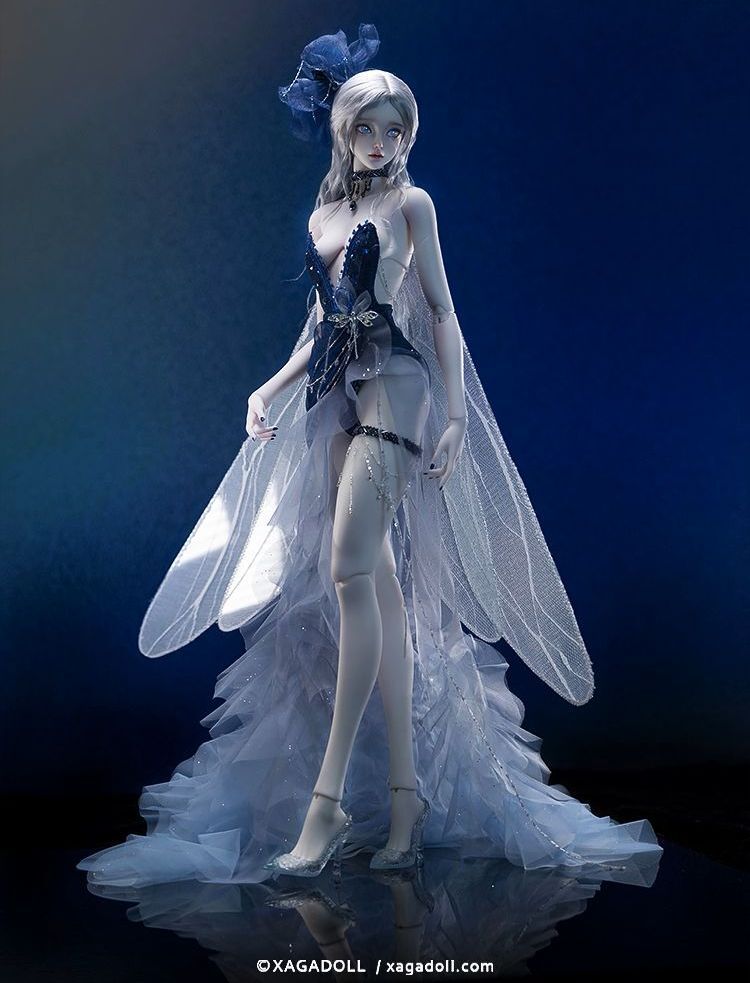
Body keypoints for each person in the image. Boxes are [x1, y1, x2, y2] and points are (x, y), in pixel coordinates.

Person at [77, 24, 662, 889]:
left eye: (394, 130)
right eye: (365, 128)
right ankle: (404, 799)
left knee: (350, 566)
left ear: (408, 136)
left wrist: (455, 414)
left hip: (399, 390)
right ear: (343, 131)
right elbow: (320, 323)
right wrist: (269, 388)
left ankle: (326, 804)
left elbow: (443, 312)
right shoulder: (325, 215)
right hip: (335, 396)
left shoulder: (412, 207)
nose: (380, 143)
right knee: (376, 590)